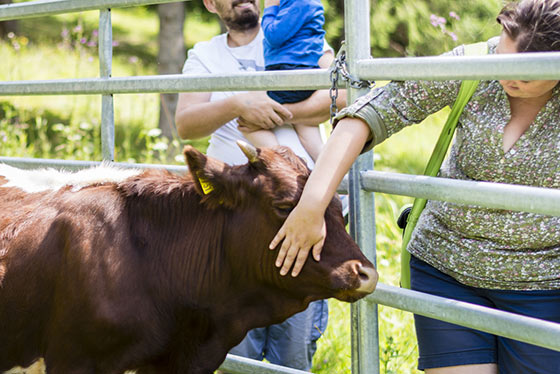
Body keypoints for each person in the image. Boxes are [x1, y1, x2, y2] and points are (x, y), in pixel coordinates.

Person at [269, 0, 560, 373]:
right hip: (448, 270)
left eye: (527, 73)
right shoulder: (475, 63)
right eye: (503, 56)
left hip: (544, 287)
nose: (508, 76)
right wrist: (311, 206)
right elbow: (371, 112)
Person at [174, 0, 345, 370]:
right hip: (236, 217)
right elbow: (186, 123)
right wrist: (238, 104)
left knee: (295, 343)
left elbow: (340, 97)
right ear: (209, 3)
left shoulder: (294, 29)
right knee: (237, 341)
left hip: (301, 203)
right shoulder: (205, 55)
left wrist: (274, 112)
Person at [240, 0, 326, 162]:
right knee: (307, 129)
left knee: (247, 120)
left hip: (290, 73)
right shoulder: (303, 4)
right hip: (303, 73)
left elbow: (274, 36)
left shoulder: (300, 3)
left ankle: (284, 162)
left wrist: (270, 7)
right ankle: (329, 178)